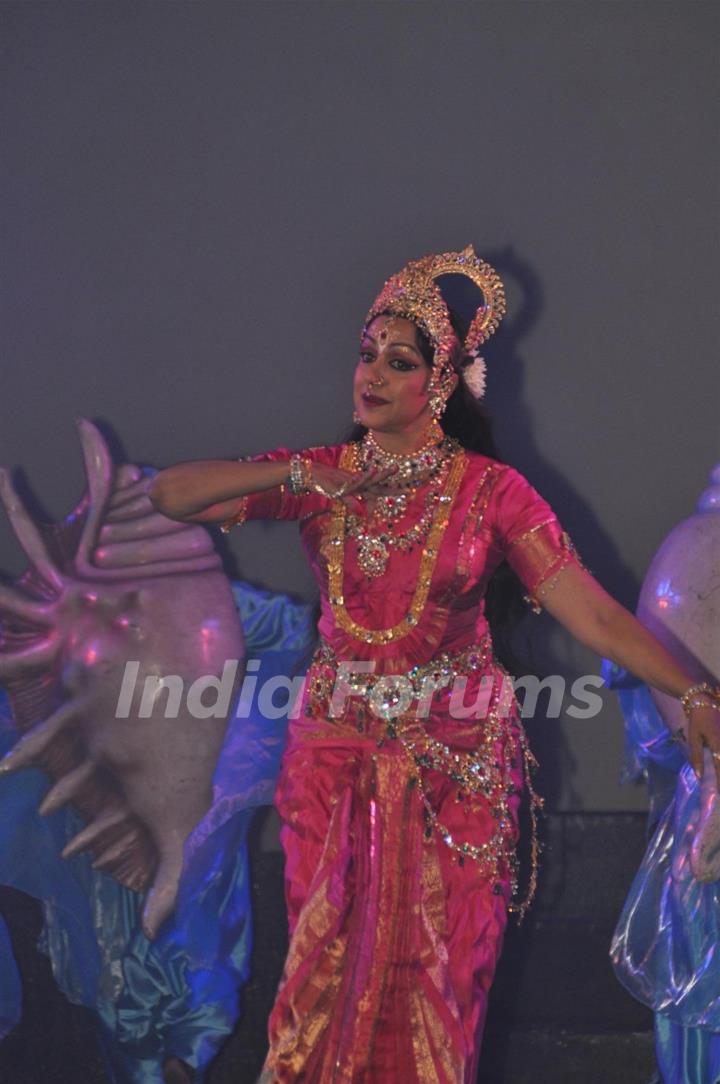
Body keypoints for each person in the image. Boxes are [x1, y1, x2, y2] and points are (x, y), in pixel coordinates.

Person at [148, 246, 720, 1083]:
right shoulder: (323, 476)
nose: (372, 374)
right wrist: (304, 473)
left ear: (438, 385)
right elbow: (171, 495)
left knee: (441, 983)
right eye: (366, 353)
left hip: (455, 767)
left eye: (399, 361)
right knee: (316, 980)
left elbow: (593, 611)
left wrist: (695, 687)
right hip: (335, 759)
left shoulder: (493, 494)